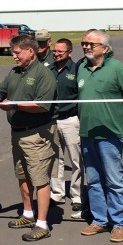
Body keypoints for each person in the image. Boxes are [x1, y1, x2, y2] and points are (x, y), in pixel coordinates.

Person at [0, 34, 58, 241]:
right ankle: (27, 213)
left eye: (17, 52)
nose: (13, 56)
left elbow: (43, 106)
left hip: (37, 135)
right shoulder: (15, 72)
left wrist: (14, 104)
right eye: (13, 52)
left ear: (30, 51)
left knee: (40, 179)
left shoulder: (44, 74)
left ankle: (42, 223)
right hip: (17, 133)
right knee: (22, 175)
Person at [77, 30, 123, 243]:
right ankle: (99, 220)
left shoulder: (118, 69)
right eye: (84, 43)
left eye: (91, 44)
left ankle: (120, 224)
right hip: (87, 133)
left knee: (113, 180)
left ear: (105, 48)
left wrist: (122, 119)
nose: (86, 47)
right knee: (94, 180)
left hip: (110, 134)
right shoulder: (82, 68)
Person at [48, 38, 83, 216]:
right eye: (55, 51)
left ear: (69, 52)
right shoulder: (49, 70)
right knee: (56, 159)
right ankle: (57, 193)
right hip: (53, 120)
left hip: (71, 120)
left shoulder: (77, 69)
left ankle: (76, 196)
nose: (56, 54)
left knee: (76, 160)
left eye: (60, 52)